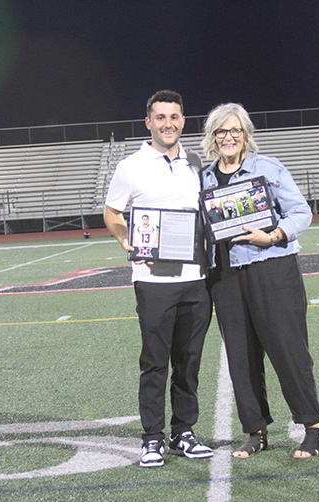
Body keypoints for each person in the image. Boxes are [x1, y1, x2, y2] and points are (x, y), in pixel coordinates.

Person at [200, 102, 319, 459]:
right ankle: (256, 431)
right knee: (241, 356)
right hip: (224, 275)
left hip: (271, 267)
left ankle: (311, 427)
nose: (228, 137)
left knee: (288, 350)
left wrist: (271, 236)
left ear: (245, 135)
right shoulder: (204, 177)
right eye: (221, 132)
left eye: (235, 131)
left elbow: (301, 212)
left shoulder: (268, 168)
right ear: (212, 137)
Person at [104, 90, 213, 468]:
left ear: (183, 121)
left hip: (195, 277)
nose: (168, 123)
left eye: (175, 116)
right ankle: (152, 437)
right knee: (155, 362)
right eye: (161, 117)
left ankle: (184, 432)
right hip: (152, 281)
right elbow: (113, 211)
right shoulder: (130, 166)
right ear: (148, 122)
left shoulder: (197, 162)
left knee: (189, 361)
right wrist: (125, 239)